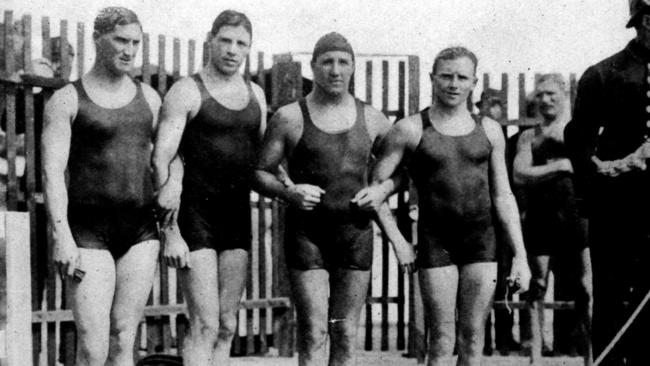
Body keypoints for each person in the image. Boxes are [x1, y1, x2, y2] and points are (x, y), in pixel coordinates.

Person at [361, 46, 531, 366]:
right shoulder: (411, 129)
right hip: (436, 241)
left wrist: (520, 255)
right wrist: (398, 242)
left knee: (473, 337)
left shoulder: (490, 130)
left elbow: (503, 195)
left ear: (473, 83)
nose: (454, 84)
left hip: (481, 242)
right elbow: (375, 189)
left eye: (462, 77)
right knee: (441, 338)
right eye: (446, 76)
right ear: (432, 79)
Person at [254, 32, 415, 366]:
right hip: (307, 235)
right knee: (314, 331)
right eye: (327, 61)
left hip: (354, 235)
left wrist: (382, 190)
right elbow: (259, 172)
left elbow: (405, 169)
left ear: (353, 67)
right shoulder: (290, 117)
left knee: (345, 333)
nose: (335, 70)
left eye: (343, 62)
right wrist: (289, 192)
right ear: (313, 66)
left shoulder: (372, 118)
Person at [42, 7, 161, 366]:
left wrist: (170, 217)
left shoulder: (151, 100)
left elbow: (170, 160)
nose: (128, 50)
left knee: (124, 337)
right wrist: (61, 235)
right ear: (98, 40)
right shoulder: (67, 99)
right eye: (120, 40)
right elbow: (52, 173)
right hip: (87, 232)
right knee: (93, 348)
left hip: (140, 230)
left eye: (135, 43)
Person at [151, 10, 271, 366]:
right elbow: (161, 158)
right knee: (204, 323)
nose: (233, 50)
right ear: (210, 40)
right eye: (226, 41)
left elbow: (264, 160)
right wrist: (170, 233)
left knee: (227, 324)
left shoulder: (256, 95)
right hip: (194, 216)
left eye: (242, 44)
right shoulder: (187, 90)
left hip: (235, 216)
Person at [565, 1, 650, 365]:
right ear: (644, 21)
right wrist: (613, 169)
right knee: (614, 300)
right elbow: (579, 144)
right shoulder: (604, 74)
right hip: (620, 211)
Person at [513, 74, 592, 366]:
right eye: (541, 94)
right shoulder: (528, 137)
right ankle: (535, 359)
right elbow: (519, 174)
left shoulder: (582, 132)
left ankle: (591, 358)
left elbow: (591, 171)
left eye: (552, 94)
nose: (545, 100)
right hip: (541, 218)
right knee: (537, 285)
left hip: (577, 217)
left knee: (586, 288)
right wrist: (560, 166)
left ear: (566, 95)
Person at [475, 88, 522, 357]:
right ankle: (482, 340)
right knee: (480, 281)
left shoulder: (511, 141)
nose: (492, 110)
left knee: (504, 280)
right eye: (487, 104)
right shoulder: (475, 135)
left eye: (497, 105)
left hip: (503, 218)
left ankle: (504, 338)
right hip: (480, 219)